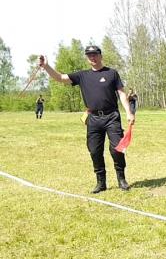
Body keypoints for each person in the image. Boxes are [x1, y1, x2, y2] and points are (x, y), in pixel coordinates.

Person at [38, 45, 135, 192]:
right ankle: (101, 183)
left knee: (117, 149)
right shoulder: (82, 75)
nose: (92, 57)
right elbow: (60, 77)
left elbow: (121, 93)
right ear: (87, 58)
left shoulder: (112, 73)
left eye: (95, 54)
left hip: (111, 116)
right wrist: (46, 66)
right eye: (89, 55)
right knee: (95, 151)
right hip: (94, 119)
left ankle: (121, 179)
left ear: (100, 56)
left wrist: (129, 112)